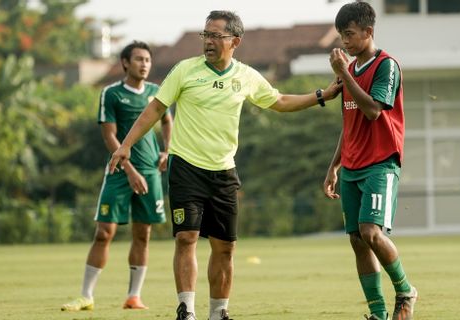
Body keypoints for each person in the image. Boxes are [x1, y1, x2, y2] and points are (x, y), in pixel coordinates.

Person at [107, 10, 342, 320]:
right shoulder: (185, 70)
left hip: (223, 172)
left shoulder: (245, 76)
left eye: (216, 35)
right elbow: (155, 109)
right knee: (186, 237)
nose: (209, 41)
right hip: (186, 167)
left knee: (225, 247)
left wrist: (321, 95)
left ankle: (218, 313)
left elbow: (280, 102)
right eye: (206, 35)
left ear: (235, 41)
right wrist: (125, 146)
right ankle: (186, 310)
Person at [61, 41, 173, 311]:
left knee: (143, 234)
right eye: (138, 59)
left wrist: (166, 151)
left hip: (150, 173)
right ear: (125, 63)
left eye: (147, 59)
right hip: (119, 172)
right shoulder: (111, 94)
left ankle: (134, 296)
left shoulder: (157, 92)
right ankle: (86, 296)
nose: (144, 64)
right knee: (104, 233)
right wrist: (130, 169)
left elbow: (167, 121)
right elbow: (109, 135)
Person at [323, 2, 417, 320]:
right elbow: (348, 124)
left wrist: (343, 75)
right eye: (341, 35)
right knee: (356, 239)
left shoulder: (386, 66)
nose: (345, 42)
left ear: (368, 32)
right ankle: (378, 314)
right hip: (351, 165)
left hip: (380, 162)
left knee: (371, 232)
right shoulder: (349, 72)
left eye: (349, 34)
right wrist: (333, 166)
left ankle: (405, 291)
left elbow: (374, 110)